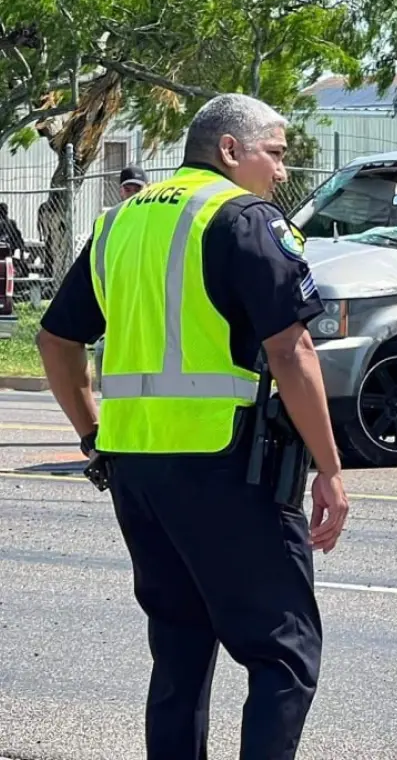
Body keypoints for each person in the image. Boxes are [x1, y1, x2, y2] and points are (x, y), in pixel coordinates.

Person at [36, 92, 349, 760]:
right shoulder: (243, 218)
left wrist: (93, 434)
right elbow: (291, 351)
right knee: (283, 653)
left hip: (136, 472)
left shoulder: (120, 222)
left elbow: (56, 341)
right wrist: (329, 467)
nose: (282, 173)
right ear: (230, 150)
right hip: (227, 466)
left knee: (178, 653)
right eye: (275, 153)